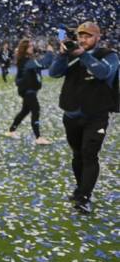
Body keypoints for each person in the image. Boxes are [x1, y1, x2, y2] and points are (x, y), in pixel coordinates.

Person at [49, 22, 118, 214]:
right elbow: (54, 73)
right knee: (77, 154)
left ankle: (84, 198)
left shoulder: (109, 55)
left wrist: (84, 55)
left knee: (89, 154)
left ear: (98, 38)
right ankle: (81, 190)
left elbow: (103, 73)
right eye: (81, 36)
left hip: (96, 115)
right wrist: (62, 54)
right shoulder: (72, 53)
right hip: (71, 113)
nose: (83, 39)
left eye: (88, 36)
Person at [4, 39, 54, 145]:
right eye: (30, 46)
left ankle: (11, 131)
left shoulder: (27, 59)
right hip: (28, 91)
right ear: (25, 49)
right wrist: (49, 52)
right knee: (35, 110)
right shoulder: (26, 61)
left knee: (25, 111)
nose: (33, 47)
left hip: (29, 90)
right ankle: (38, 137)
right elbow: (44, 64)